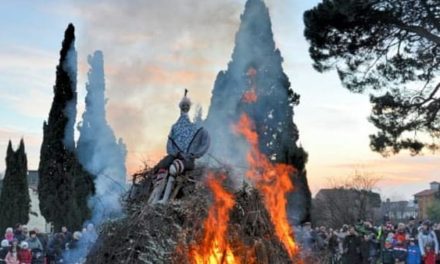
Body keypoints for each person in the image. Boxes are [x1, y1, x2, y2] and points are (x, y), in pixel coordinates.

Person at [149, 89, 210, 204]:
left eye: (187, 106)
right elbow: (169, 145)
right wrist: (175, 153)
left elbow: (205, 140)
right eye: (183, 106)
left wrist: (194, 154)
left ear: (189, 108)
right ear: (180, 107)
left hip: (187, 160)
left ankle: (165, 199)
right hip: (176, 157)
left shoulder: (196, 128)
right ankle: (154, 198)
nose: (185, 107)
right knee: (163, 167)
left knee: (173, 168)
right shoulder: (175, 127)